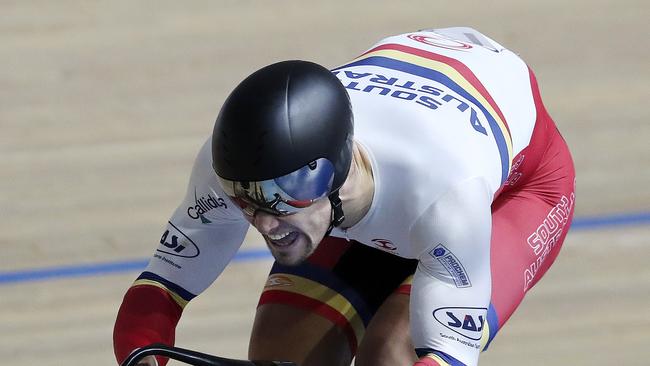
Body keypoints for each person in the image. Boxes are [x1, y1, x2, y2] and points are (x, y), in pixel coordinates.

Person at [113, 27, 576, 366]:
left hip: (516, 191)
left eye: (283, 196)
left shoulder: (445, 194)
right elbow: (160, 287)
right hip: (389, 188)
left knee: (391, 353)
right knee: (282, 354)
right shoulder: (240, 167)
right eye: (246, 201)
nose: (267, 222)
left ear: (335, 169)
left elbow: (447, 357)